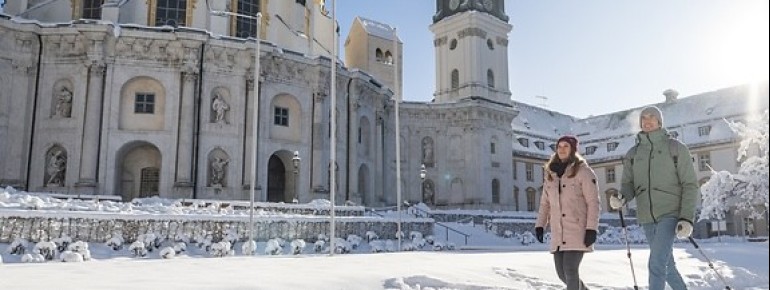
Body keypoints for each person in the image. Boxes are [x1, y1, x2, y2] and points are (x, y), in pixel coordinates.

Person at [610, 106, 698, 290]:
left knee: (656, 263)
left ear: (660, 122)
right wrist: (621, 197)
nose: (648, 120)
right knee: (667, 266)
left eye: (652, 117)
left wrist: (686, 218)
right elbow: (628, 184)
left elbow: (690, 184)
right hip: (647, 216)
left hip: (671, 213)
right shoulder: (633, 154)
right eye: (644, 118)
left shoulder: (675, 149)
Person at [535, 135, 600, 290]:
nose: (562, 149)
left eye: (566, 146)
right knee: (562, 274)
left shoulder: (584, 171)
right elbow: (545, 203)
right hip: (558, 231)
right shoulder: (550, 174)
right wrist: (540, 225)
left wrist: (592, 228)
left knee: (570, 270)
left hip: (577, 230)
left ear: (573, 150)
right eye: (559, 146)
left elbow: (593, 202)